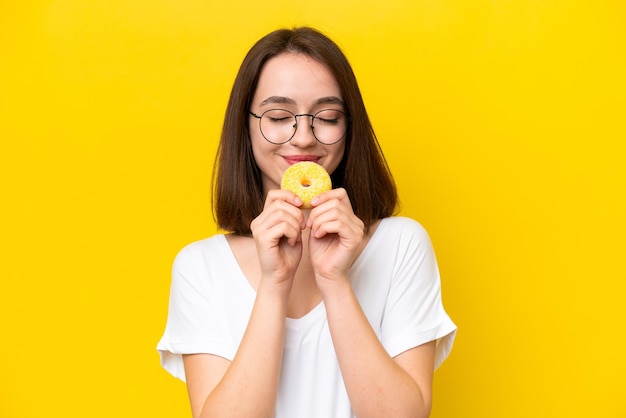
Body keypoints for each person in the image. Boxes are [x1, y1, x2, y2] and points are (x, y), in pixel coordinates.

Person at [157, 26, 456, 418]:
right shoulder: (201, 268)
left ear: (349, 128)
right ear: (245, 126)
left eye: (327, 117)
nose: (302, 138)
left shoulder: (401, 245)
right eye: (278, 116)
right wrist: (274, 284)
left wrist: (334, 281)